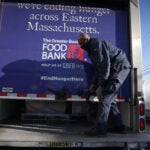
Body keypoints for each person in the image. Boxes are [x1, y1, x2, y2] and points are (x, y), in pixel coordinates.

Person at [77, 33, 131, 137]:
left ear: (86, 39)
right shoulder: (91, 50)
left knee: (105, 98)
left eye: (81, 42)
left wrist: (101, 85)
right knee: (111, 100)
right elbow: (98, 70)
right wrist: (94, 84)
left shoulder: (96, 44)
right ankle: (118, 126)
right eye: (79, 43)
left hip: (119, 68)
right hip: (114, 70)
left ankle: (100, 129)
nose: (80, 46)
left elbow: (104, 66)